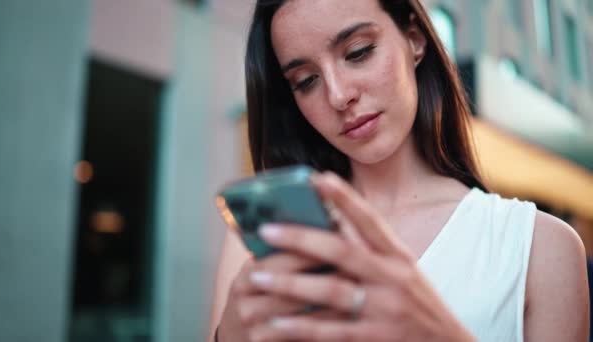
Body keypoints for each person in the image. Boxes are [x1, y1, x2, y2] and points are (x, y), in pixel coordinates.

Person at [208, 0, 590, 341]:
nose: (339, 96)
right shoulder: (269, 239)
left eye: (358, 52)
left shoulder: (539, 247)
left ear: (415, 39)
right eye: (306, 81)